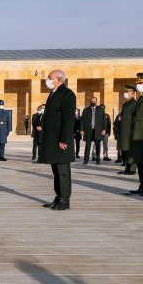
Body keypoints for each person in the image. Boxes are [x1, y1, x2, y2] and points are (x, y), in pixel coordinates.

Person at [38, 69, 76, 211]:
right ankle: (58, 196)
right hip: (52, 139)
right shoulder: (53, 93)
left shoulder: (67, 94)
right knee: (56, 170)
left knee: (63, 171)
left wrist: (64, 139)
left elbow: (68, 119)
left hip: (61, 140)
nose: (47, 80)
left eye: (49, 78)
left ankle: (65, 200)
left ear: (59, 80)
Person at [117, 85, 138, 176]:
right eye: (125, 91)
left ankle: (132, 169)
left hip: (130, 131)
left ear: (132, 93)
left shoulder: (134, 103)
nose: (125, 93)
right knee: (125, 150)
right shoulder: (125, 104)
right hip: (124, 131)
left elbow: (135, 117)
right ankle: (127, 168)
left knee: (131, 150)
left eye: (127, 92)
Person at [80, 97, 105, 164]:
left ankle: (98, 160)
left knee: (98, 146)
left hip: (97, 130)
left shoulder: (100, 110)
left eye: (94, 101)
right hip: (89, 130)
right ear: (90, 102)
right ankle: (86, 160)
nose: (93, 102)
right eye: (91, 101)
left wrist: (104, 129)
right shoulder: (86, 110)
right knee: (88, 145)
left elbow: (104, 120)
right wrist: (82, 129)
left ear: (96, 102)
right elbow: (82, 121)